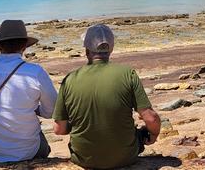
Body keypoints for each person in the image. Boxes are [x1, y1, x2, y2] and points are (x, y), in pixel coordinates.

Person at [53, 24, 161, 169]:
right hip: (125, 157)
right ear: (111, 49)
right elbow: (151, 118)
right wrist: (153, 134)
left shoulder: (70, 79)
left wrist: (80, 125)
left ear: (86, 50)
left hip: (84, 158)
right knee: (140, 132)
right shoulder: (128, 74)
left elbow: (59, 129)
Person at [0, 20, 58, 162]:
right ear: (24, 46)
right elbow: (51, 111)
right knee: (42, 144)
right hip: (27, 151)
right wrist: (36, 110)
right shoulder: (35, 72)